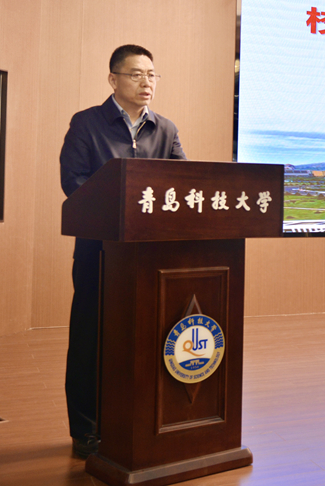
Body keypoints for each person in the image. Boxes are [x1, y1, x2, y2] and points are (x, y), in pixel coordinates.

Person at [59, 44, 186, 458]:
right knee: (91, 336)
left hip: (149, 257)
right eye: (136, 74)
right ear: (113, 79)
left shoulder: (165, 129)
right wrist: (118, 213)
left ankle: (136, 421)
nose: (146, 82)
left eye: (152, 74)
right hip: (100, 251)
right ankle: (86, 429)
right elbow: (74, 181)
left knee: (144, 336)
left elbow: (183, 184)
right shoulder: (87, 123)